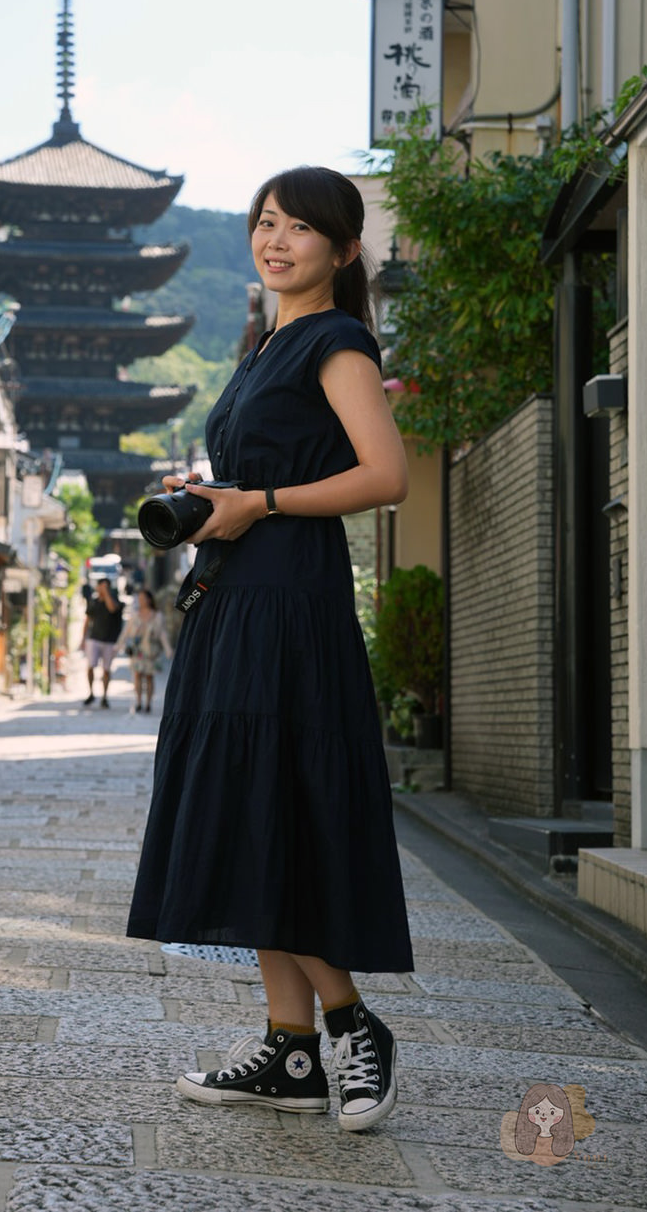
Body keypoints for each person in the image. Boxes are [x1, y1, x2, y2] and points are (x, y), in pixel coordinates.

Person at [127, 166, 413, 1132]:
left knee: (282, 798)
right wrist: (219, 496)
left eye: (299, 226)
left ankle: (352, 1023)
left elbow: (387, 474)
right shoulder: (263, 346)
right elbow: (260, 480)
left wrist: (264, 501)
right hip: (236, 599)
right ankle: (292, 1051)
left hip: (291, 605)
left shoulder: (335, 342)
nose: (275, 238)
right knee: (251, 802)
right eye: (264, 222)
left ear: (342, 249)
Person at [117, 588, 172, 713]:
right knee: (137, 675)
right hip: (138, 650)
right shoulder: (135, 615)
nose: (141, 601)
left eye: (143, 598)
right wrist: (119, 644)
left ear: (149, 599)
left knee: (149, 676)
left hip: (151, 651)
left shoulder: (157, 616)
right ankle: (138, 701)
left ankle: (148, 703)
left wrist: (168, 649)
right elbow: (126, 631)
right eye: (139, 598)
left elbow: (163, 633)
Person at [81, 578, 123, 709]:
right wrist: (83, 638)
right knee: (90, 666)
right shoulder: (93, 602)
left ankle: (105, 696)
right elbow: (88, 620)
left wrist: (107, 595)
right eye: (101, 586)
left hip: (109, 640)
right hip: (94, 638)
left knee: (106, 669)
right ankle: (91, 692)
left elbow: (112, 609)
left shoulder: (115, 601)